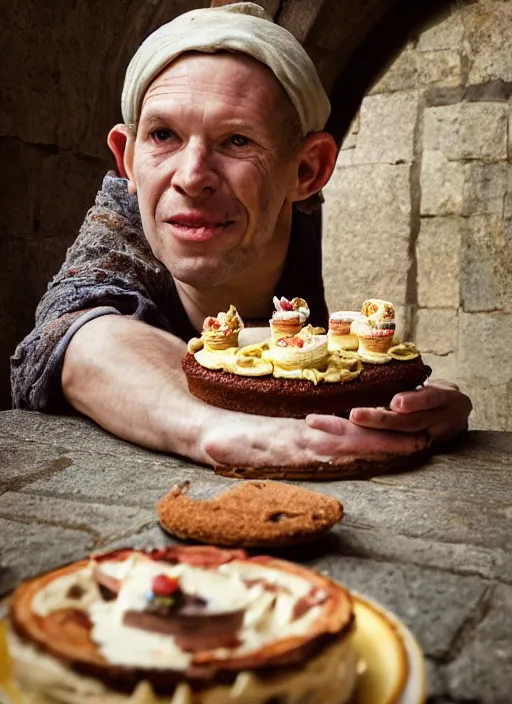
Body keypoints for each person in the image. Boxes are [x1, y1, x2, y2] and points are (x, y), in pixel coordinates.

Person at [11, 2, 472, 470]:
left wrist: (403, 404)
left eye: (237, 141)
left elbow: (296, 361)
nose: (191, 178)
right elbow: (67, 334)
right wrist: (223, 431)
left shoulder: (290, 214)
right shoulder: (131, 209)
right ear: (127, 158)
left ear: (308, 170)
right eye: (163, 134)